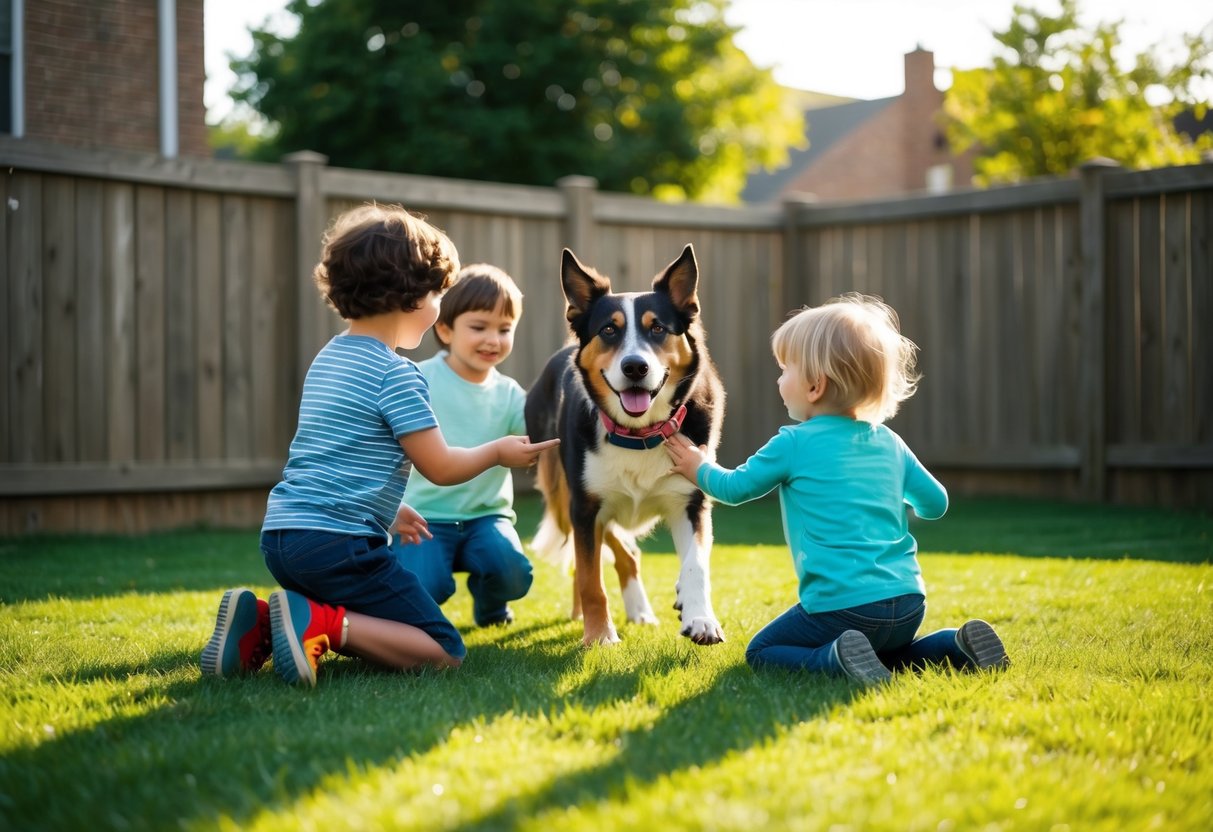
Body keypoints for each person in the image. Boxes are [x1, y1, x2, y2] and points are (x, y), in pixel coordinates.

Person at [199, 204, 558, 687]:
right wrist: (498, 452)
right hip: (337, 547)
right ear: (410, 297)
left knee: (382, 611)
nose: (438, 308)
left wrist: (386, 514)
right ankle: (320, 623)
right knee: (444, 649)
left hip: (284, 537)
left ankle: (259, 624)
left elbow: (333, 460)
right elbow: (441, 467)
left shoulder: (329, 358)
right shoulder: (396, 374)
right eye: (438, 294)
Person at [664, 293, 1008, 684]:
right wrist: (905, 507)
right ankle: (953, 647)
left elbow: (735, 488)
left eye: (785, 369)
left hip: (841, 608)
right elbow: (936, 503)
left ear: (814, 386)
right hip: (909, 601)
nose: (779, 380)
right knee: (890, 651)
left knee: (761, 651)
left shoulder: (793, 444)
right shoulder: (889, 443)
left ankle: (834, 658)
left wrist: (698, 466)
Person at [389, 263, 533, 627]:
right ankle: (423, 610)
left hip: (486, 517)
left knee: (513, 572)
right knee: (422, 584)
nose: (493, 340)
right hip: (423, 517)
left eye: (505, 329)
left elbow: (535, 434)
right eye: (479, 327)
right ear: (445, 328)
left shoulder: (510, 394)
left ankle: (491, 605)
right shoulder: (418, 379)